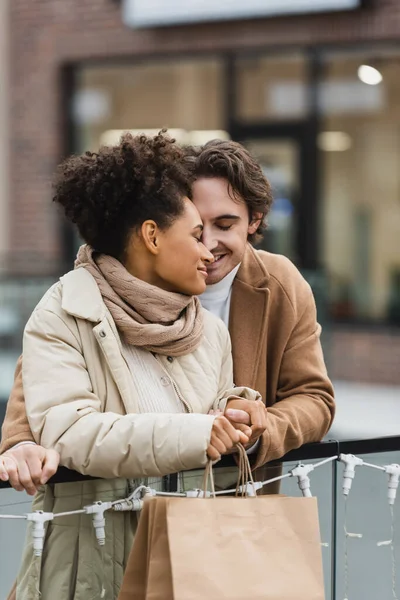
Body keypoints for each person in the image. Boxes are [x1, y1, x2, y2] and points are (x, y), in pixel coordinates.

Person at [3, 132, 264, 599]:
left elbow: (216, 409)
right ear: (151, 236)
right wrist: (197, 433)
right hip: (95, 570)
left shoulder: (207, 329)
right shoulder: (63, 313)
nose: (208, 251)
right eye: (195, 235)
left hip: (191, 566)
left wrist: (240, 412)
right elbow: (70, 433)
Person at [0, 137, 335, 493]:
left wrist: (251, 430)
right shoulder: (127, 280)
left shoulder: (278, 285)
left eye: (224, 225)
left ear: (254, 221)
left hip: (229, 507)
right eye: (195, 228)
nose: (206, 245)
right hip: (119, 504)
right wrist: (20, 441)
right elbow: (42, 373)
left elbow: (314, 398)